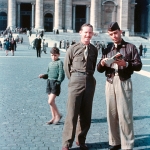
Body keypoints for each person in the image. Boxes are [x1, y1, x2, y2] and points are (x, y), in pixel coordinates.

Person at [97, 22, 142, 150]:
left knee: (125, 114)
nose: (113, 36)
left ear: (120, 32)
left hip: (123, 81)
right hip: (110, 81)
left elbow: (138, 65)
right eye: (111, 34)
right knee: (111, 113)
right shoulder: (107, 48)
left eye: (115, 33)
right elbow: (99, 69)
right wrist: (103, 63)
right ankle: (115, 141)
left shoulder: (130, 47)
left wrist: (126, 64)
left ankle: (127, 144)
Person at [62, 23, 98, 150]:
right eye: (86, 32)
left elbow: (93, 66)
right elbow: (67, 66)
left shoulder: (94, 49)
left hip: (89, 80)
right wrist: (73, 79)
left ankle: (81, 140)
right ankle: (67, 142)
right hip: (76, 79)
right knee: (72, 112)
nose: (88, 35)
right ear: (80, 33)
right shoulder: (72, 48)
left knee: (86, 114)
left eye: (90, 33)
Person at [38, 47, 65, 124]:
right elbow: (49, 74)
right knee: (52, 102)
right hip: (49, 82)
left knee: (50, 101)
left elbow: (61, 74)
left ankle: (58, 115)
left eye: (55, 55)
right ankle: (53, 117)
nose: (53, 57)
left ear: (58, 55)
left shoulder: (59, 62)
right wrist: (43, 76)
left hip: (55, 83)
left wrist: (58, 82)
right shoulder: (50, 63)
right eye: (52, 55)